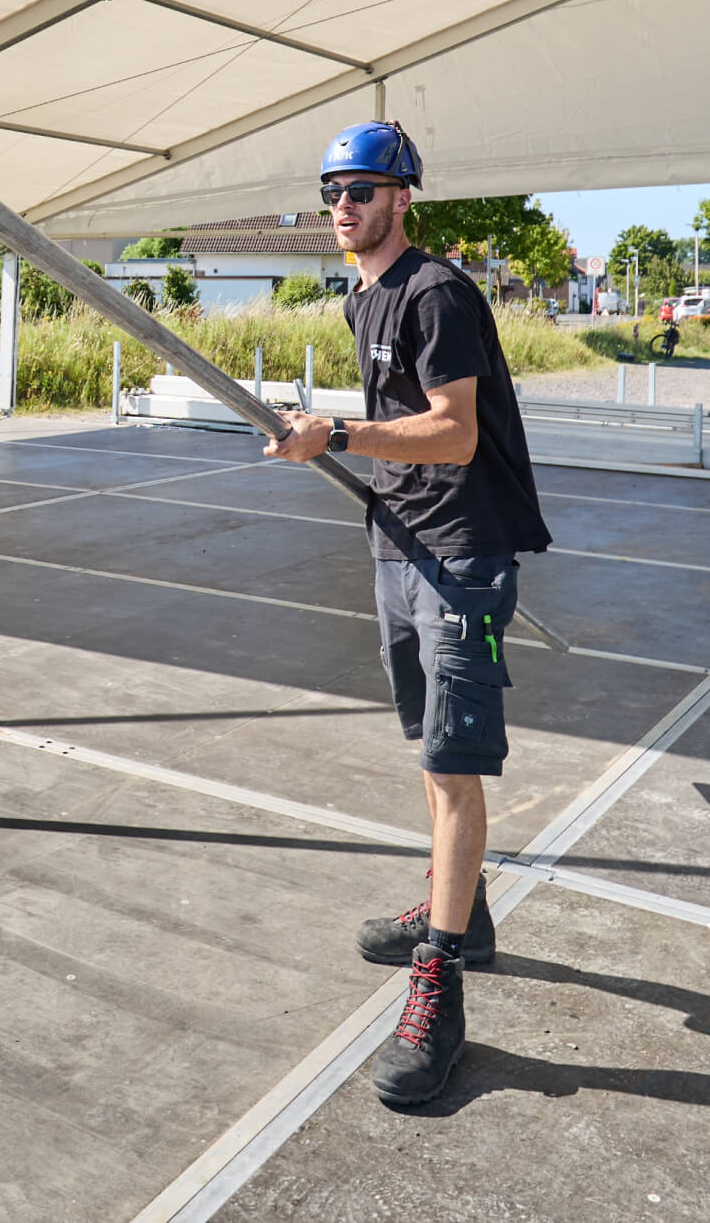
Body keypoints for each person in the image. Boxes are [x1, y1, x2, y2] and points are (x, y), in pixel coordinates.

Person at [264, 119, 552, 1105]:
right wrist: (337, 440)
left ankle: (442, 984)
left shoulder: (434, 292)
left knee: (452, 768)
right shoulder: (363, 293)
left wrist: (338, 433)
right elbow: (402, 423)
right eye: (332, 191)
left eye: (361, 189)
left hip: (460, 554)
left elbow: (455, 432)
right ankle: (458, 912)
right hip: (400, 539)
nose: (342, 206)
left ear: (401, 199)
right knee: (429, 753)